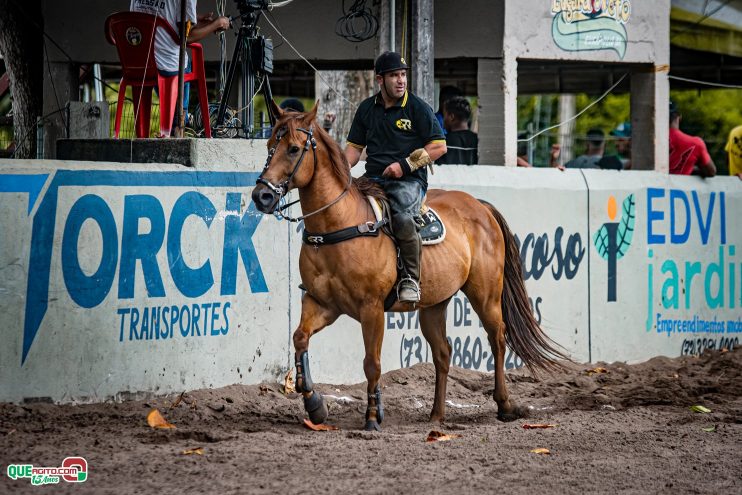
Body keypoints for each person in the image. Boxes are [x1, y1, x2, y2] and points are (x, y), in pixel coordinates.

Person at [344, 51, 447, 303]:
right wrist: (338, 170)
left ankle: (411, 278)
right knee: (345, 208)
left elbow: (439, 146)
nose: (401, 81)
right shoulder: (366, 109)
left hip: (409, 182)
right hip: (373, 179)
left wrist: (404, 165)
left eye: (403, 75)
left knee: (401, 217)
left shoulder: (417, 107)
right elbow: (354, 150)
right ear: (380, 80)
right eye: (394, 76)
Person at [130, 0, 230, 134]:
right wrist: (217, 23)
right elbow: (187, 37)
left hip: (139, 63)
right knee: (186, 62)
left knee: (162, 63)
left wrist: (194, 19)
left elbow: (150, 17)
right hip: (167, 65)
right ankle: (178, 121)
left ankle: (172, 120)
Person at [669, 101, 716, 177]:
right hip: (680, 188)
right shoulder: (695, 143)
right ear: (679, 117)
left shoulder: (649, 141)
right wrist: (692, 168)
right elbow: (711, 172)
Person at [437, 96, 477, 165]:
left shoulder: (443, 143)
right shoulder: (478, 142)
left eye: (444, 115)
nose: (443, 121)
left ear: (451, 117)